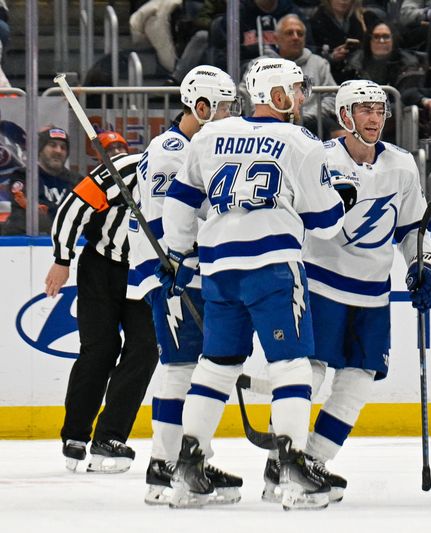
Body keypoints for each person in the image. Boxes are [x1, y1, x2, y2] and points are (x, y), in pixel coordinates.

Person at [161, 57, 346, 510]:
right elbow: (325, 224)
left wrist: (180, 254)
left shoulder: (209, 135)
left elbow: (181, 202)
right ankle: (292, 465)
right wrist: (342, 199)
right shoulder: (300, 141)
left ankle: (188, 466)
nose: (302, 99)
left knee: (216, 364)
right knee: (292, 365)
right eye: (297, 91)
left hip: (219, 268)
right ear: (277, 96)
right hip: (273, 268)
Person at [259, 79, 431, 504]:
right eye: (365, 110)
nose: (375, 118)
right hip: (320, 283)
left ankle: (313, 463)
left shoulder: (401, 164)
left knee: (359, 380)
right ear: (344, 116)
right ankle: (281, 466)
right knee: (311, 372)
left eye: (380, 110)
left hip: (373, 292)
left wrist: (424, 264)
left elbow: (412, 228)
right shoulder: (316, 159)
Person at [125, 66, 244, 505]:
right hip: (171, 272)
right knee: (180, 366)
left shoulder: (199, 149)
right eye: (225, 107)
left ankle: (184, 457)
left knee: (193, 365)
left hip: (191, 269)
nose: (231, 115)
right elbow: (162, 222)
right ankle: (165, 464)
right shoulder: (169, 151)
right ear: (200, 106)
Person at [47, 135, 159, 474]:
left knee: (145, 349)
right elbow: (73, 206)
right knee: (100, 348)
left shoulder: (196, 174)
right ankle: (76, 434)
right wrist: (62, 258)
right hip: (102, 266)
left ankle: (110, 436)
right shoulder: (128, 168)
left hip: (144, 271)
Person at [243, 14, 338, 138]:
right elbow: (245, 93)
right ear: (276, 38)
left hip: (312, 124)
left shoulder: (319, 63)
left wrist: (305, 116)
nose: (295, 37)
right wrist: (266, 115)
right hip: (266, 124)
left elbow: (332, 97)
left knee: (339, 132)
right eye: (289, 33)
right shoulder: (258, 65)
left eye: (300, 33)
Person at [4, 126, 82, 235]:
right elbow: (30, 207)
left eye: (63, 147)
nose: (58, 151)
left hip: (66, 243)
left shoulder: (77, 181)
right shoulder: (24, 176)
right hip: (23, 244)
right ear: (40, 150)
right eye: (52, 145)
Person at [308, 0, 378, 83]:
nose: (343, 1)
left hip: (359, 73)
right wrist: (331, 57)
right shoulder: (316, 21)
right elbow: (312, 54)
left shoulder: (363, 18)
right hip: (332, 75)